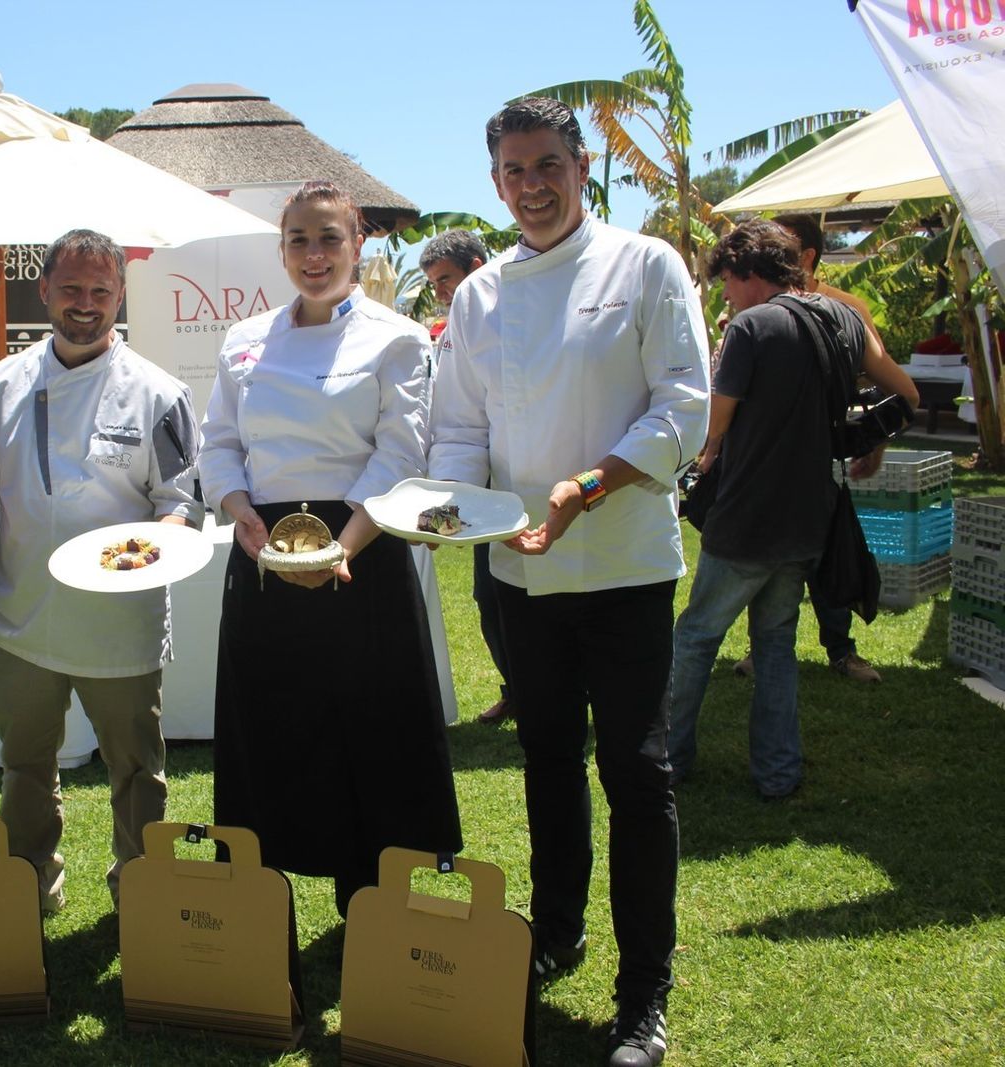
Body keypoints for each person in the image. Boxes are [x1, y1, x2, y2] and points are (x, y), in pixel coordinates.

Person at [428, 98, 709, 1067]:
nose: (531, 186)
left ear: (582, 166)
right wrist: (451, 507)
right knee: (546, 756)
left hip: (623, 563)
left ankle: (644, 995)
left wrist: (587, 485)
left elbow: (683, 405)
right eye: (511, 171)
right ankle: (554, 930)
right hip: (517, 566)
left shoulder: (644, 265)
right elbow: (461, 427)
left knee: (634, 772)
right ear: (494, 181)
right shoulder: (479, 295)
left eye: (546, 164)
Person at [199, 180, 461, 919]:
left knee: (370, 734)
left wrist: (340, 547)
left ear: (358, 244)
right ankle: (260, 898)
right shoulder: (244, 339)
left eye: (329, 239)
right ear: (282, 249)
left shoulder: (396, 336)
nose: (314, 255)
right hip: (260, 556)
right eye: (299, 241)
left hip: (360, 552)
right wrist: (243, 516)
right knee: (269, 727)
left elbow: (400, 452)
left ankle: (370, 906)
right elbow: (218, 443)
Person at [0, 229, 202, 915]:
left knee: (137, 772)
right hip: (21, 620)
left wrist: (151, 550)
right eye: (71, 288)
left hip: (121, 626)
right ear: (43, 290)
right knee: (26, 769)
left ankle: (141, 892)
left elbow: (180, 500)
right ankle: (30, 884)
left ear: (121, 295)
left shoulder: (158, 392)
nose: (85, 303)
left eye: (101, 290)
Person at [666, 220, 872, 801]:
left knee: (697, 636)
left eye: (727, 281)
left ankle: (667, 760)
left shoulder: (753, 326)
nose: (726, 293)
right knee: (777, 643)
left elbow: (716, 421)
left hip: (750, 515)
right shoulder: (839, 319)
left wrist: (697, 460)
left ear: (748, 272)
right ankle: (779, 773)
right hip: (810, 514)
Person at [726, 213, 919, 685]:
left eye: (779, 247)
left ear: (806, 256)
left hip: (818, 465)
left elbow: (895, 391)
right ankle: (764, 649)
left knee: (830, 559)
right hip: (764, 467)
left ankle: (842, 650)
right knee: (769, 567)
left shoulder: (845, 310)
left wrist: (868, 443)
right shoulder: (751, 311)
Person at [420, 230, 514, 726]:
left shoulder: (511, 309)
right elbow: (458, 424)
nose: (440, 293)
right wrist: (443, 505)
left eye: (445, 280)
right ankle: (516, 687)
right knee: (490, 595)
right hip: (477, 489)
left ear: (477, 266)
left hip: (529, 488)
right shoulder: (456, 323)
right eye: (434, 284)